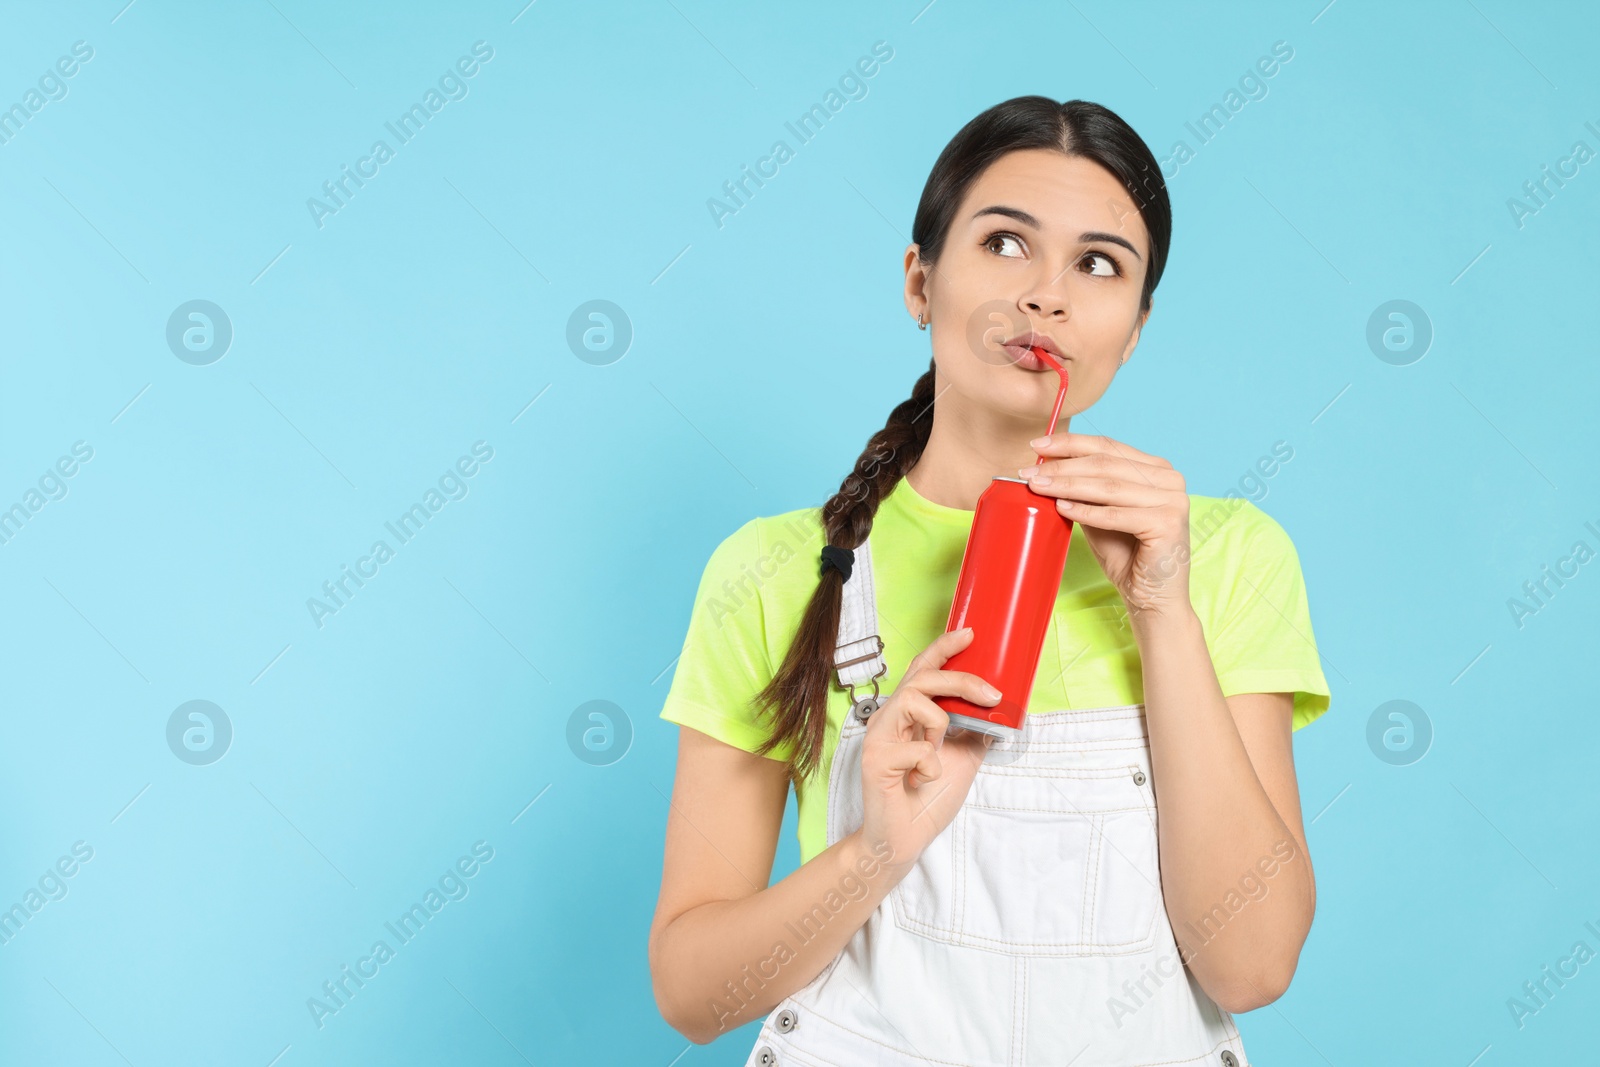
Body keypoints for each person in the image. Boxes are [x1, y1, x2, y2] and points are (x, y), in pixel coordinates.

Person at [648, 95, 1331, 1066]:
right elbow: (690, 991)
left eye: (1099, 264)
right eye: (1006, 243)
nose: (1047, 294)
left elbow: (1252, 964)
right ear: (920, 281)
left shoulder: (1221, 554)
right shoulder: (774, 571)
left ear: (1133, 329)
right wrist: (874, 851)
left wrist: (1161, 611)